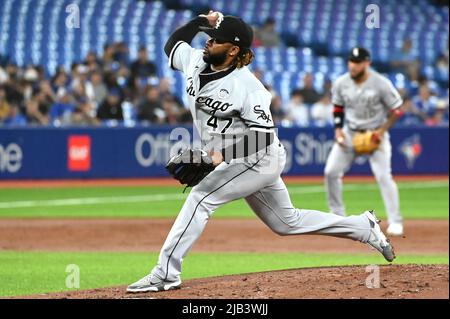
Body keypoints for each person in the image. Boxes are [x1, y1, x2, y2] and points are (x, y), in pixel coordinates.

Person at [126, 12, 395, 294]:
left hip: (257, 158)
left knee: (201, 198)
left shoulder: (248, 87)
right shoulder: (195, 61)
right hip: (241, 158)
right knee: (286, 222)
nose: (208, 42)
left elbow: (262, 135)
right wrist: (197, 22)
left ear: (233, 50)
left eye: (215, 39)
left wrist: (219, 156)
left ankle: (165, 273)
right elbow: (172, 46)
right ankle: (362, 226)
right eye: (208, 37)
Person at [324, 47, 405, 237]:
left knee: (384, 177)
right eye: (351, 61)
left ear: (366, 63)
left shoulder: (380, 83)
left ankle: (395, 221)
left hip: (376, 135)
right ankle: (336, 215)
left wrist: (382, 131)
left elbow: (397, 110)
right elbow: (337, 107)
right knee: (331, 172)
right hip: (350, 133)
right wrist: (337, 130)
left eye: (357, 62)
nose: (353, 65)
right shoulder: (341, 83)